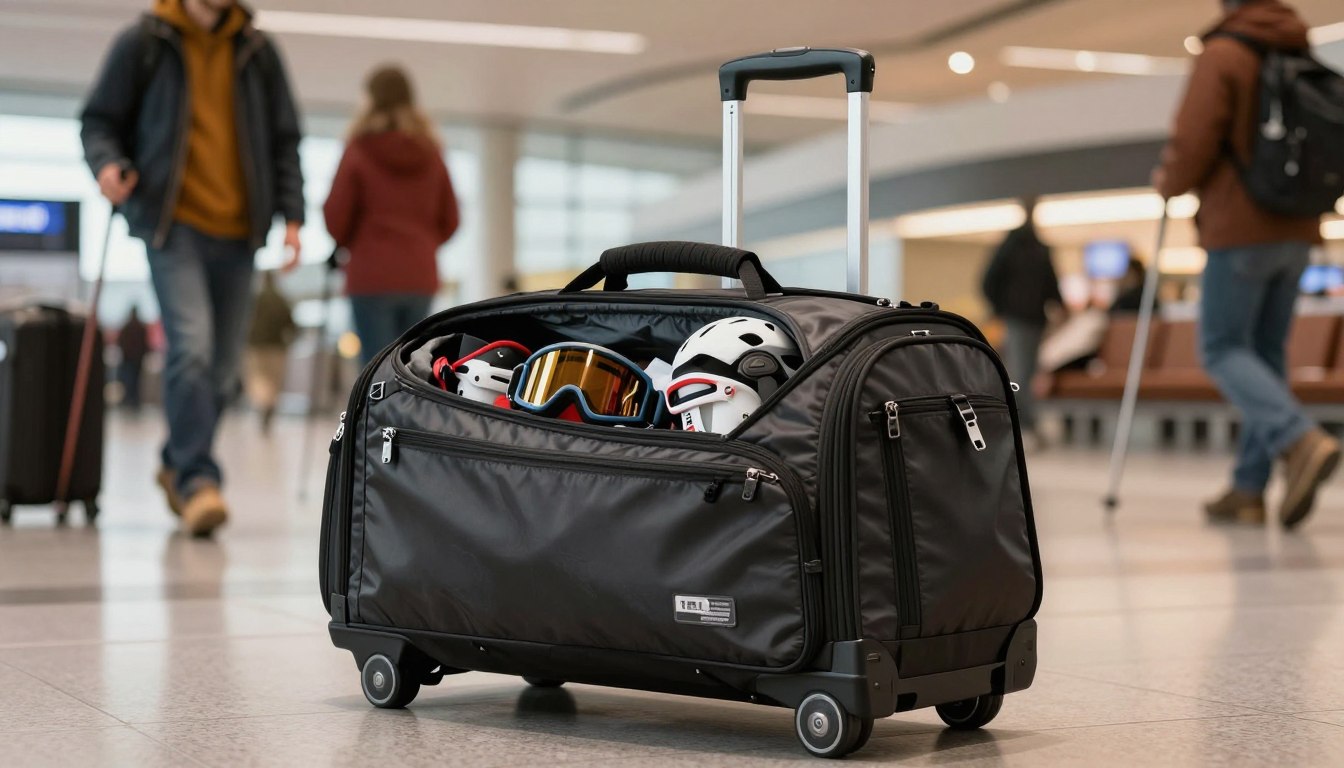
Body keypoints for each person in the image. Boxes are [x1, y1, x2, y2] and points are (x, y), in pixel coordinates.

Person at [80, 0, 305, 536]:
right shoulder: (146, 41)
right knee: (192, 346)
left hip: (240, 231)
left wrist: (293, 217)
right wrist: (107, 164)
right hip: (172, 223)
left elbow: (284, 140)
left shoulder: (257, 50)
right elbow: (99, 120)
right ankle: (198, 480)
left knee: (224, 370)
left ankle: (176, 461)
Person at [1154, 0, 1337, 529]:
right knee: (1264, 354)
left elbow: (1193, 139)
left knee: (1221, 348)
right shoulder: (1295, 46)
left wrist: (1168, 181)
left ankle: (1298, 438)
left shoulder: (1225, 52)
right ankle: (1249, 488)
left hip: (1240, 227)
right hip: (1299, 229)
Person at [323, 65, 460, 365]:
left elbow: (336, 218)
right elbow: (451, 218)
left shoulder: (358, 149)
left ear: (370, 100)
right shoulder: (431, 151)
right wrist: (420, 242)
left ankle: (375, 414)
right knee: (411, 369)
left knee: (376, 370)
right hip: (418, 274)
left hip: (371, 276)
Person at [981, 198, 1062, 444]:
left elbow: (1050, 281)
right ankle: (1022, 425)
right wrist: (1000, 309)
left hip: (1033, 319)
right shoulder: (1015, 246)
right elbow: (989, 281)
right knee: (1021, 373)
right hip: (1019, 318)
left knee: (1026, 373)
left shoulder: (1034, 246)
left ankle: (1026, 424)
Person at [245, 271, 296, 435]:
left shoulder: (254, 299)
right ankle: (269, 406)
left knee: (257, 378)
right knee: (274, 380)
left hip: (255, 345)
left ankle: (262, 406)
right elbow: (292, 324)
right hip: (277, 346)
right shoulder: (281, 299)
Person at [116, 306, 150, 411]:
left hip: (129, 358)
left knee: (129, 380)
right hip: (136, 359)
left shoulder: (127, 327)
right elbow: (145, 344)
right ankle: (133, 400)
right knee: (134, 381)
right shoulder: (141, 327)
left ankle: (130, 400)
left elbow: (121, 342)